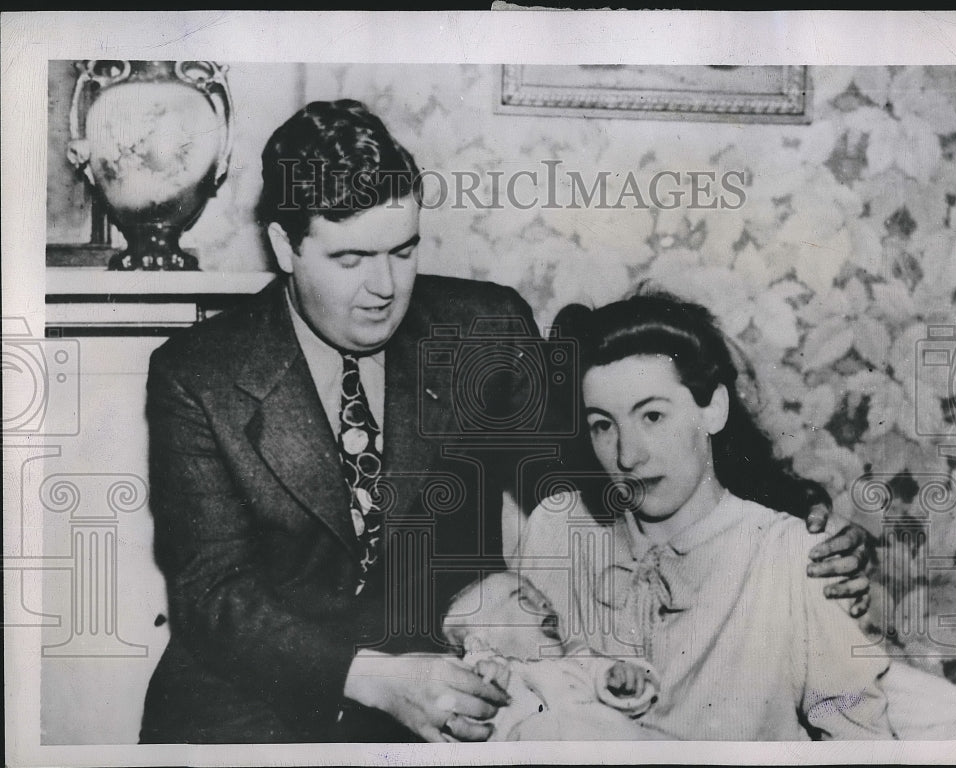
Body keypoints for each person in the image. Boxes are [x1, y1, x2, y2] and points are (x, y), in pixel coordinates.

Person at [139, 99, 871, 744]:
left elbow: (604, 464)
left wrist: (801, 530)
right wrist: (370, 677)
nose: (384, 288)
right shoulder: (197, 376)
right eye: (351, 257)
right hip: (249, 706)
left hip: (457, 695)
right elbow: (213, 594)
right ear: (284, 246)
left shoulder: (484, 329)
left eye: (403, 250)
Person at [513, 290, 897, 740]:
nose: (628, 455)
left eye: (652, 416)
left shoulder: (797, 555)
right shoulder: (557, 529)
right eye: (602, 424)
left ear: (713, 408)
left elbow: (861, 741)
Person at [441, 571, 668, 741]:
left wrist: (622, 680)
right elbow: (461, 723)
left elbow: (610, 678)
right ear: (481, 642)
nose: (544, 603)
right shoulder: (493, 681)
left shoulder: (577, 659)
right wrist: (480, 672)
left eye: (544, 598)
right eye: (523, 599)